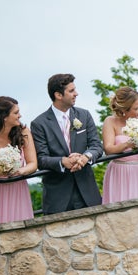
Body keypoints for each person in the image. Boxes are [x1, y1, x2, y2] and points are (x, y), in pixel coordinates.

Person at [31, 73, 103, 214]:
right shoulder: (39, 123)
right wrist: (62, 161)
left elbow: (97, 146)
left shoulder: (84, 115)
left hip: (87, 192)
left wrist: (85, 157)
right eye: (71, 91)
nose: (76, 94)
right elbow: (41, 159)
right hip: (58, 196)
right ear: (58, 95)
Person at [101, 87, 138, 203]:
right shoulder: (110, 121)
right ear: (125, 109)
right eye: (137, 108)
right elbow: (108, 149)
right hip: (119, 171)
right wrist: (127, 144)